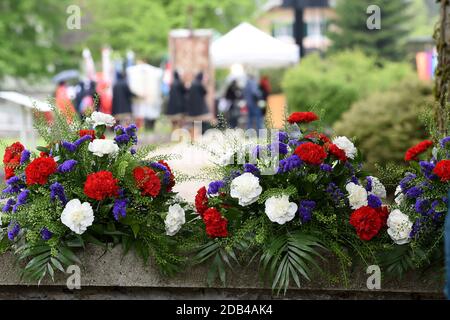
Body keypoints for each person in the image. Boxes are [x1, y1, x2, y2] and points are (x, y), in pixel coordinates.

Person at [186, 72, 210, 137]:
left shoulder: (192, 84)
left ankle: (195, 135)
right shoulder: (199, 84)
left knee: (195, 121)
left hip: (193, 106)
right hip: (200, 107)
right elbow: (205, 92)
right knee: (201, 121)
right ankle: (199, 134)